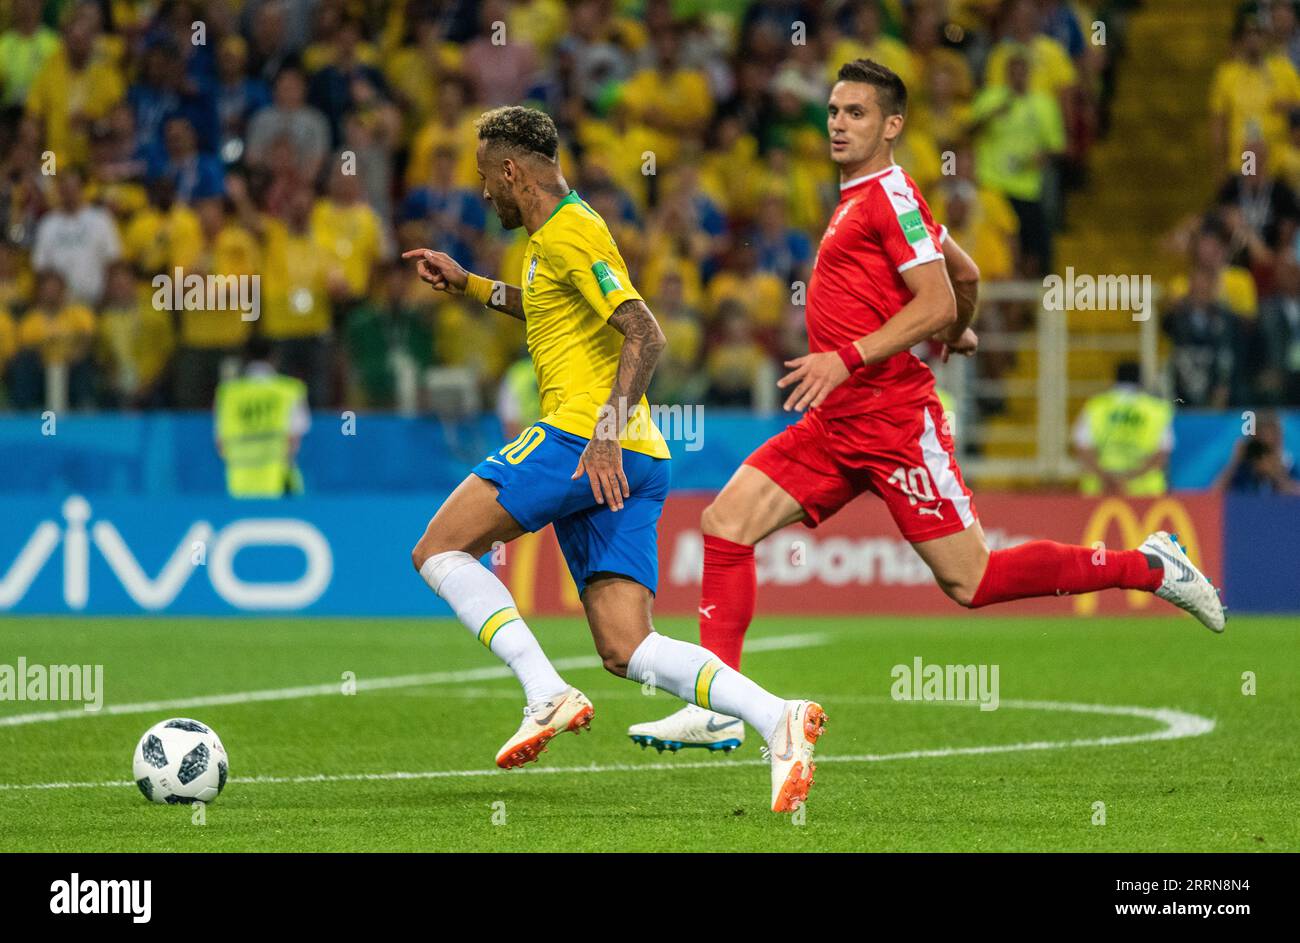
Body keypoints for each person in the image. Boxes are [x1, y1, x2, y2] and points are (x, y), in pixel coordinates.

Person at [629, 58, 1224, 754]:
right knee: (725, 523)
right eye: (833, 111)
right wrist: (950, 329)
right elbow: (961, 279)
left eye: (856, 112)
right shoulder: (868, 195)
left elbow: (940, 294)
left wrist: (862, 350)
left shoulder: (890, 197)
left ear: (892, 124)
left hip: (892, 422)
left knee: (973, 580)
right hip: (836, 421)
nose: (839, 123)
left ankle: (1150, 567)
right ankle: (725, 701)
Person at [402, 106, 824, 813]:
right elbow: (545, 308)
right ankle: (776, 716)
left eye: (484, 177)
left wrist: (602, 427)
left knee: (438, 549)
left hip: (582, 439)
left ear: (513, 171)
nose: (481, 193)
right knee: (628, 648)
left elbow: (645, 330)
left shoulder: (571, 230)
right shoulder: (547, 240)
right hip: (635, 455)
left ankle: (544, 691)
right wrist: (470, 284)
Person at [214, 335, 310, 498]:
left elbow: (221, 445)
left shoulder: (227, 394)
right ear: (275, 358)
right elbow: (294, 440)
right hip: (278, 483)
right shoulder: (290, 390)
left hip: (238, 485)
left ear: (244, 359)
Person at [1073, 361, 1174, 497]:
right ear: (1141, 380)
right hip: (1145, 494)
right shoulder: (1156, 409)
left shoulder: (1096, 406)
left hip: (1101, 492)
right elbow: (1161, 454)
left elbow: (1083, 449)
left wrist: (1109, 479)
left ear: (1115, 379)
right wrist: (1129, 479)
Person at [1214, 411, 1300, 495]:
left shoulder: (1287, 464)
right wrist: (1235, 462)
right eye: (1261, 435)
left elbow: (1295, 497)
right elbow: (1214, 494)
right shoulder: (1243, 468)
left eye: (1272, 435)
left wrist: (1277, 475)